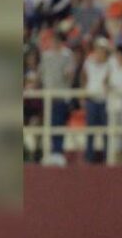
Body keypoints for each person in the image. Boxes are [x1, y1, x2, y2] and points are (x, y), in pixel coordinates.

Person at [40, 31, 75, 165]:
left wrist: (68, 74)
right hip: (48, 96)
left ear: (61, 41)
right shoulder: (46, 56)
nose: (52, 43)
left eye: (55, 40)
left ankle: (58, 153)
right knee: (49, 124)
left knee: (59, 123)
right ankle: (49, 152)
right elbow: (42, 73)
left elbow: (70, 73)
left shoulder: (67, 55)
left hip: (62, 95)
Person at [81, 37, 111, 163]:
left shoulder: (110, 64)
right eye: (98, 48)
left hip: (105, 100)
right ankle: (89, 157)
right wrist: (83, 95)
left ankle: (107, 156)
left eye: (102, 49)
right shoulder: (89, 62)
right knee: (90, 130)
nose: (100, 51)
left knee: (106, 130)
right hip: (92, 99)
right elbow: (83, 78)